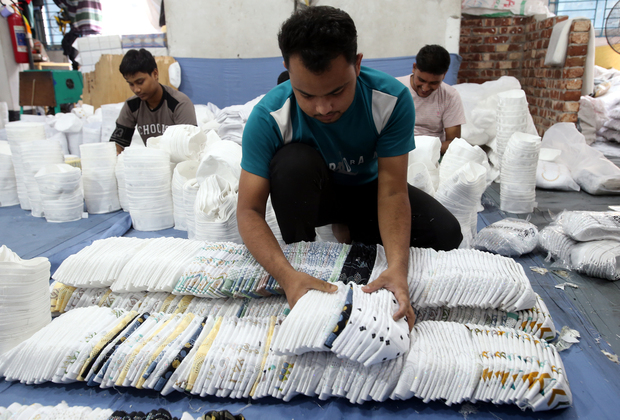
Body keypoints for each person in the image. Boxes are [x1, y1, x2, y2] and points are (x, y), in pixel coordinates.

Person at [237, 6, 462, 329]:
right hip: (315, 195)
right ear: (288, 68)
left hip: (367, 191)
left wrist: (398, 267)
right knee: (292, 164)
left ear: (357, 64)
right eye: (306, 94)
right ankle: (306, 258)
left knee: (447, 234)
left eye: (337, 91)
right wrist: (287, 276)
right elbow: (248, 210)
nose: (324, 108)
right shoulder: (269, 117)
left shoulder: (391, 100)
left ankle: (349, 227)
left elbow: (393, 189)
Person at [110, 49, 197, 154]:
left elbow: (190, 149)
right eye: (131, 84)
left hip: (178, 166)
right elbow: (117, 146)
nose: (136, 89)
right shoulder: (132, 106)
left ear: (155, 74)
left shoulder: (179, 104)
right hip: (152, 164)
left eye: (140, 82)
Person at [396, 45, 466, 155]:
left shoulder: (450, 96)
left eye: (434, 83)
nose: (425, 88)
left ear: (444, 75)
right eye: (421, 80)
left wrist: (421, 150)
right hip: (397, 151)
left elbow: (453, 143)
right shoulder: (394, 89)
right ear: (414, 68)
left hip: (433, 153)